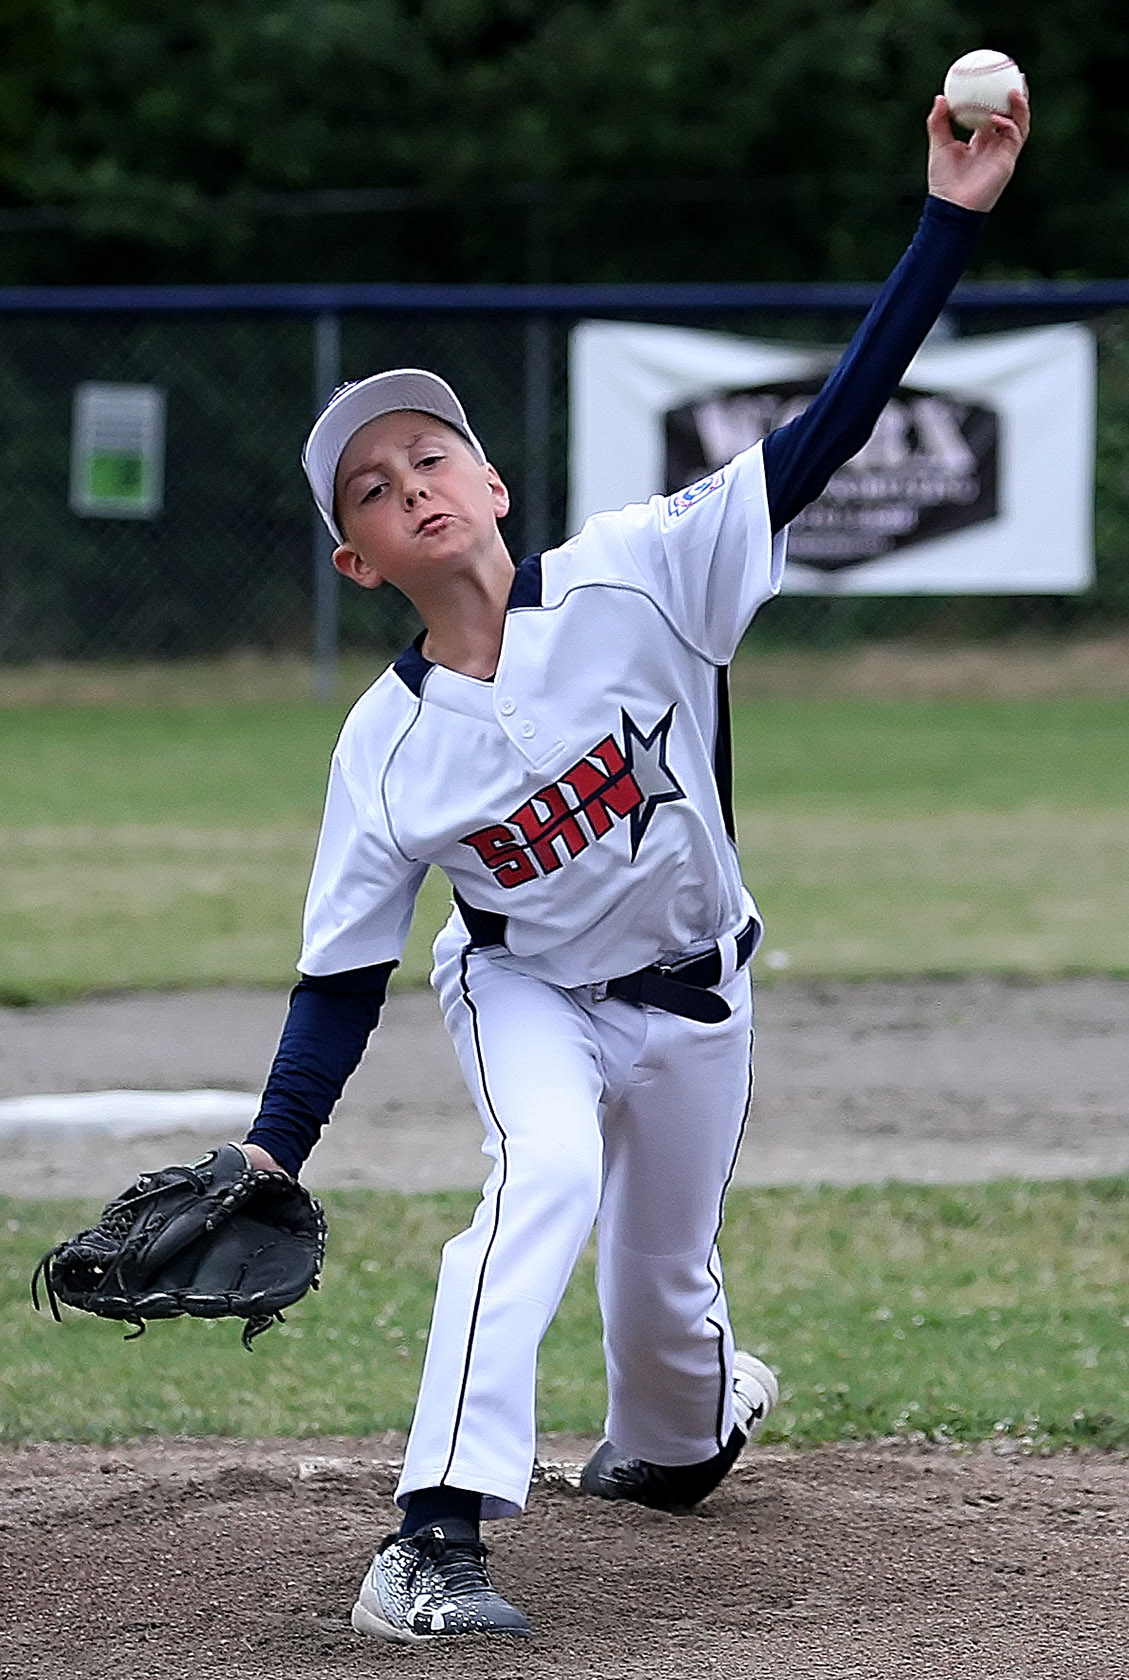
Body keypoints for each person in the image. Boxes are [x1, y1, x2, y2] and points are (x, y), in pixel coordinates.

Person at [240, 88, 1029, 1643]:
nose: (410, 484)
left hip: (703, 1000)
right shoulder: (384, 747)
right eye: (374, 490)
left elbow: (834, 424)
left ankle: (687, 1426)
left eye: (430, 455)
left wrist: (950, 221)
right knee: (542, 1177)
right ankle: (427, 1541)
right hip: (527, 988)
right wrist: (271, 1152)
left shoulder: (641, 572)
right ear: (361, 561)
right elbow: (339, 977)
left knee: (666, 1379)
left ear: (492, 487)